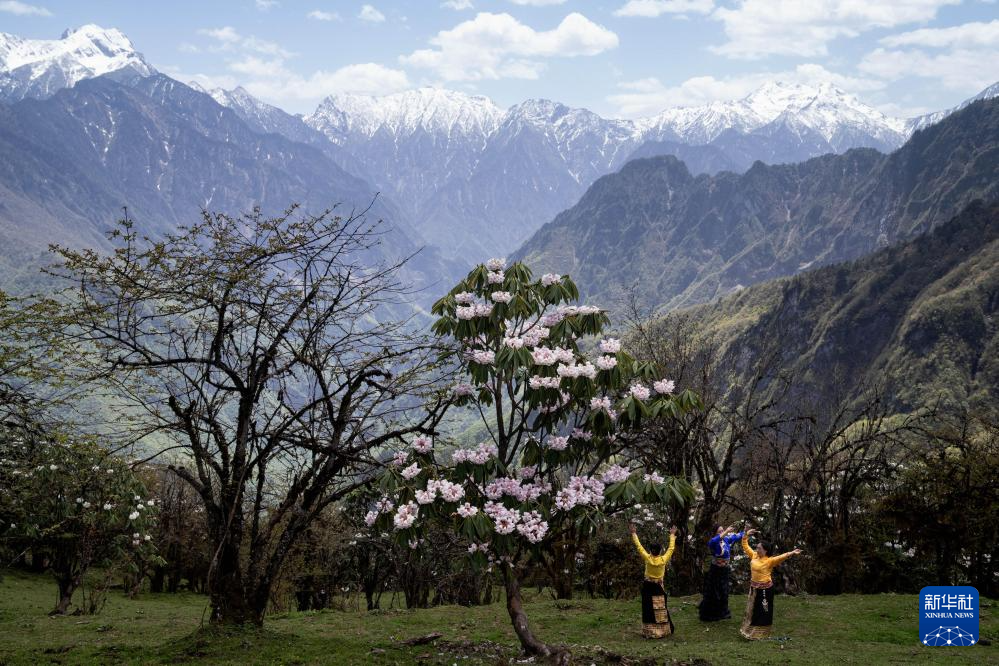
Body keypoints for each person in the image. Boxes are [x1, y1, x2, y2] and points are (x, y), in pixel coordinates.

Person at [739, 528, 802, 640]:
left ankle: (760, 634)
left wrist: (792, 552)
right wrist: (745, 535)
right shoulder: (754, 555)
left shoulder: (769, 561)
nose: (756, 549)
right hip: (754, 588)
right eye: (757, 547)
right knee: (753, 610)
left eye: (759, 548)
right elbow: (745, 546)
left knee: (763, 610)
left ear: (765, 550)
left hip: (765, 590)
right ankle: (748, 630)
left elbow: (781, 557)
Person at [630, 523, 677, 639]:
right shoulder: (663, 559)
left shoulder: (647, 558)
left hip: (648, 585)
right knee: (660, 607)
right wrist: (672, 535)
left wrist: (634, 533)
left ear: (650, 551)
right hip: (658, 586)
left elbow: (639, 547)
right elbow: (671, 548)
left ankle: (649, 631)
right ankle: (662, 630)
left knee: (648, 607)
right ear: (660, 551)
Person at [698, 523, 744, 621]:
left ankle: (722, 612)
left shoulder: (726, 540)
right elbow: (715, 540)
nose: (722, 533)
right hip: (716, 570)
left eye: (722, 530)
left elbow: (736, 537)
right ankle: (711, 614)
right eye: (720, 531)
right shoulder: (713, 542)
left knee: (724, 591)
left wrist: (746, 532)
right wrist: (727, 531)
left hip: (725, 570)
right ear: (715, 533)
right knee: (714, 591)